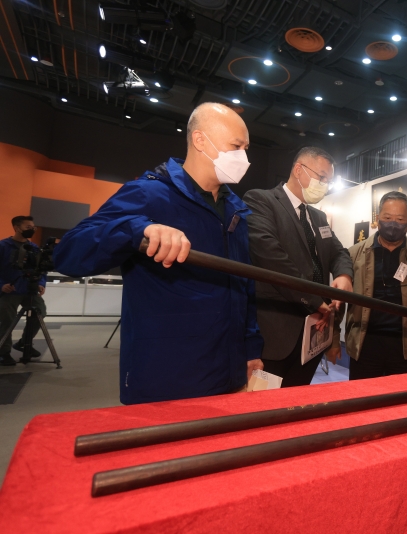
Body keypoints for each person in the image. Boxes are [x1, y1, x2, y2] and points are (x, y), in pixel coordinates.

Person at [54, 103, 264, 404]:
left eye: (246, 148)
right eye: (236, 146)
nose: (243, 157)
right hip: (167, 373)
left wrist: (250, 349)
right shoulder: (148, 194)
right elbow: (69, 252)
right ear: (200, 140)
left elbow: (244, 286)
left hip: (228, 370)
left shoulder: (236, 210)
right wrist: (138, 229)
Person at [244, 147, 353, 387]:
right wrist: (314, 300)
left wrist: (344, 274)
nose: (325, 185)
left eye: (328, 181)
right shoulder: (261, 201)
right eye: (321, 177)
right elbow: (271, 257)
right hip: (275, 333)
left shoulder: (319, 217)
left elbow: (339, 252)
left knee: (298, 399)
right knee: (265, 405)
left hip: (313, 334)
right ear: (298, 170)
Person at [327, 191, 407, 380]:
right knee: (364, 395)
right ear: (377, 218)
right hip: (364, 343)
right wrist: (333, 340)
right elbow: (338, 302)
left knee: (401, 397)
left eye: (400, 219)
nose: (393, 224)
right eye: (387, 217)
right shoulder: (354, 254)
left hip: (404, 346)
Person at [0, 216, 47, 366]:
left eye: (33, 227)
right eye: (28, 227)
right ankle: (3, 352)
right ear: (17, 228)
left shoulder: (34, 248)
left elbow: (41, 269)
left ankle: (24, 342)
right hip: (9, 291)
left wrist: (41, 283)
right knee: (6, 320)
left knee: (40, 312)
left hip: (29, 289)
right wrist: (1, 285)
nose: (32, 230)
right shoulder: (3, 246)